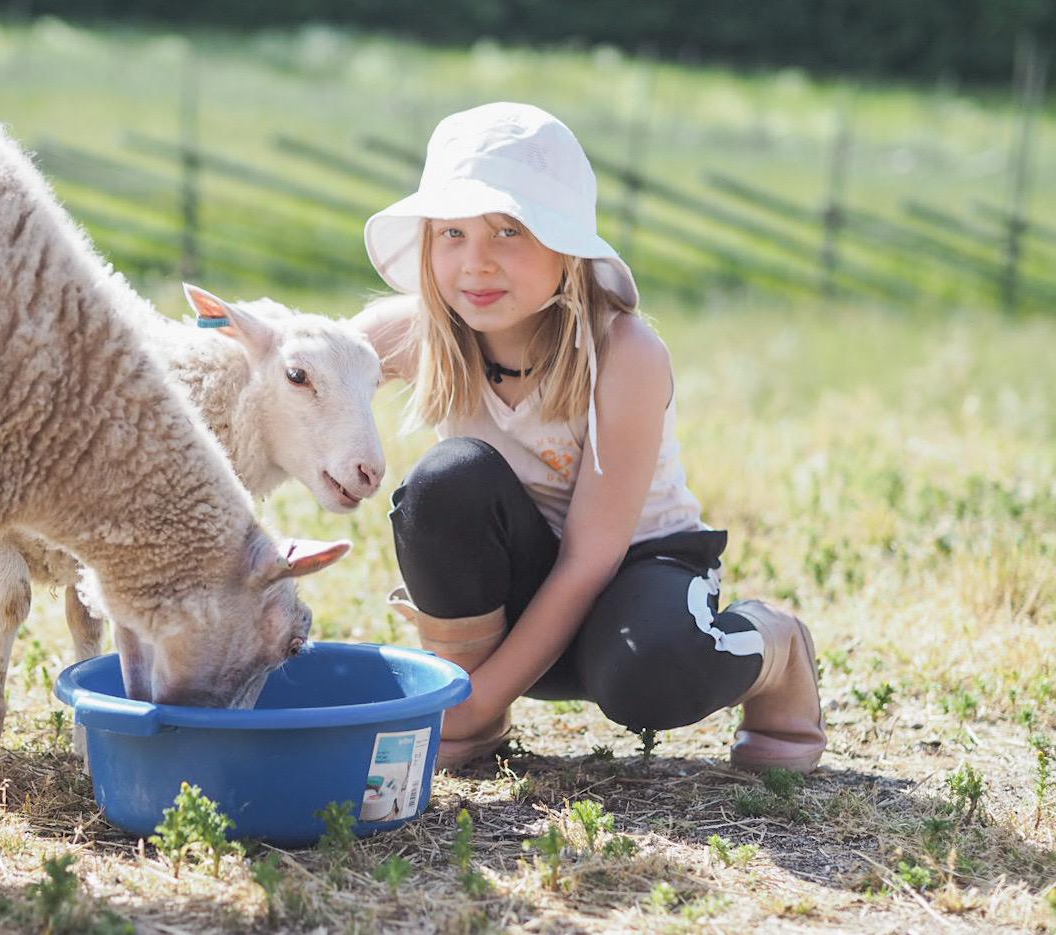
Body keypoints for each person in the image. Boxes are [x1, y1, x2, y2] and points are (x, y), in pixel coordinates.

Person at [353, 102, 825, 774]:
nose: (475, 263)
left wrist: (475, 699)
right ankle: (466, 702)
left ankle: (775, 649)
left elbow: (588, 560)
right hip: (516, 598)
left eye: (509, 231)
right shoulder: (422, 331)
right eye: (451, 232)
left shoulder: (623, 352)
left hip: (634, 577)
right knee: (445, 481)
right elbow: (297, 366)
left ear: (565, 247)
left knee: (652, 676)